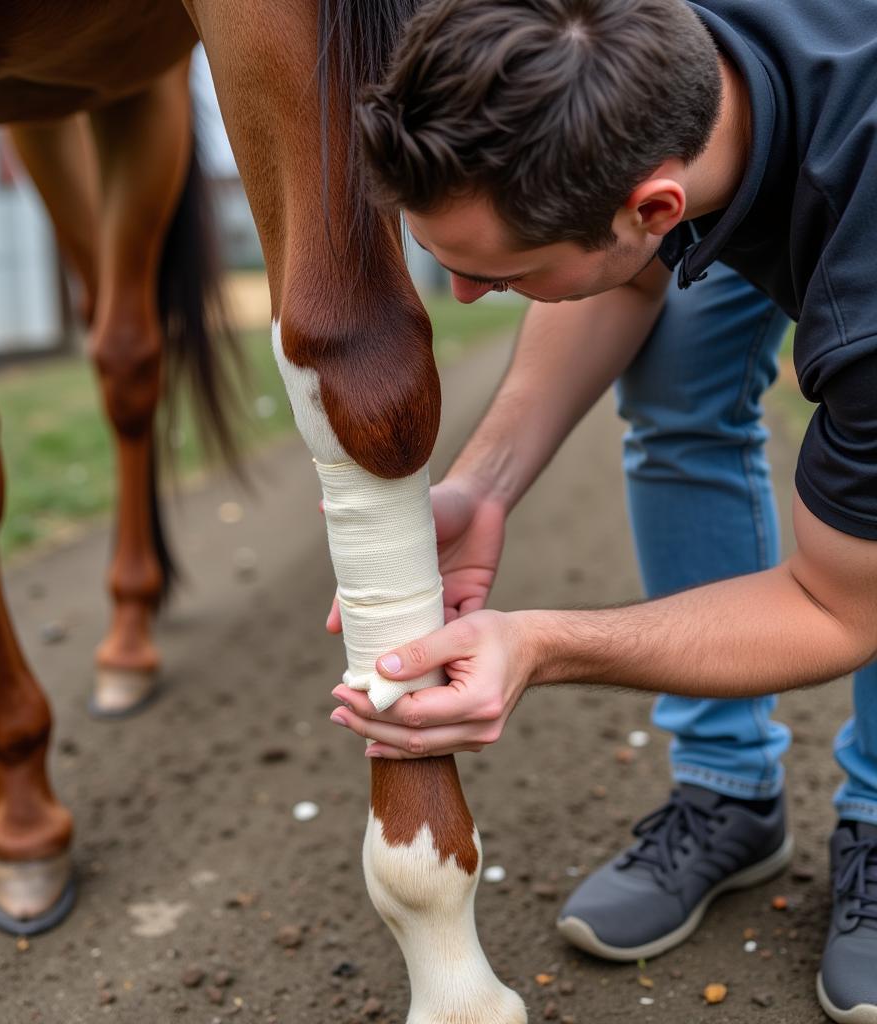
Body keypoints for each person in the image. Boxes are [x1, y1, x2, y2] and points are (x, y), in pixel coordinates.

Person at [325, 1, 877, 1019]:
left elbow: (836, 606)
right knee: (670, 383)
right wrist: (483, 484)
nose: (461, 296)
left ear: (658, 206)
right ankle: (728, 790)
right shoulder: (608, 47)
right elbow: (623, 275)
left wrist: (539, 643)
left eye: (500, 273)